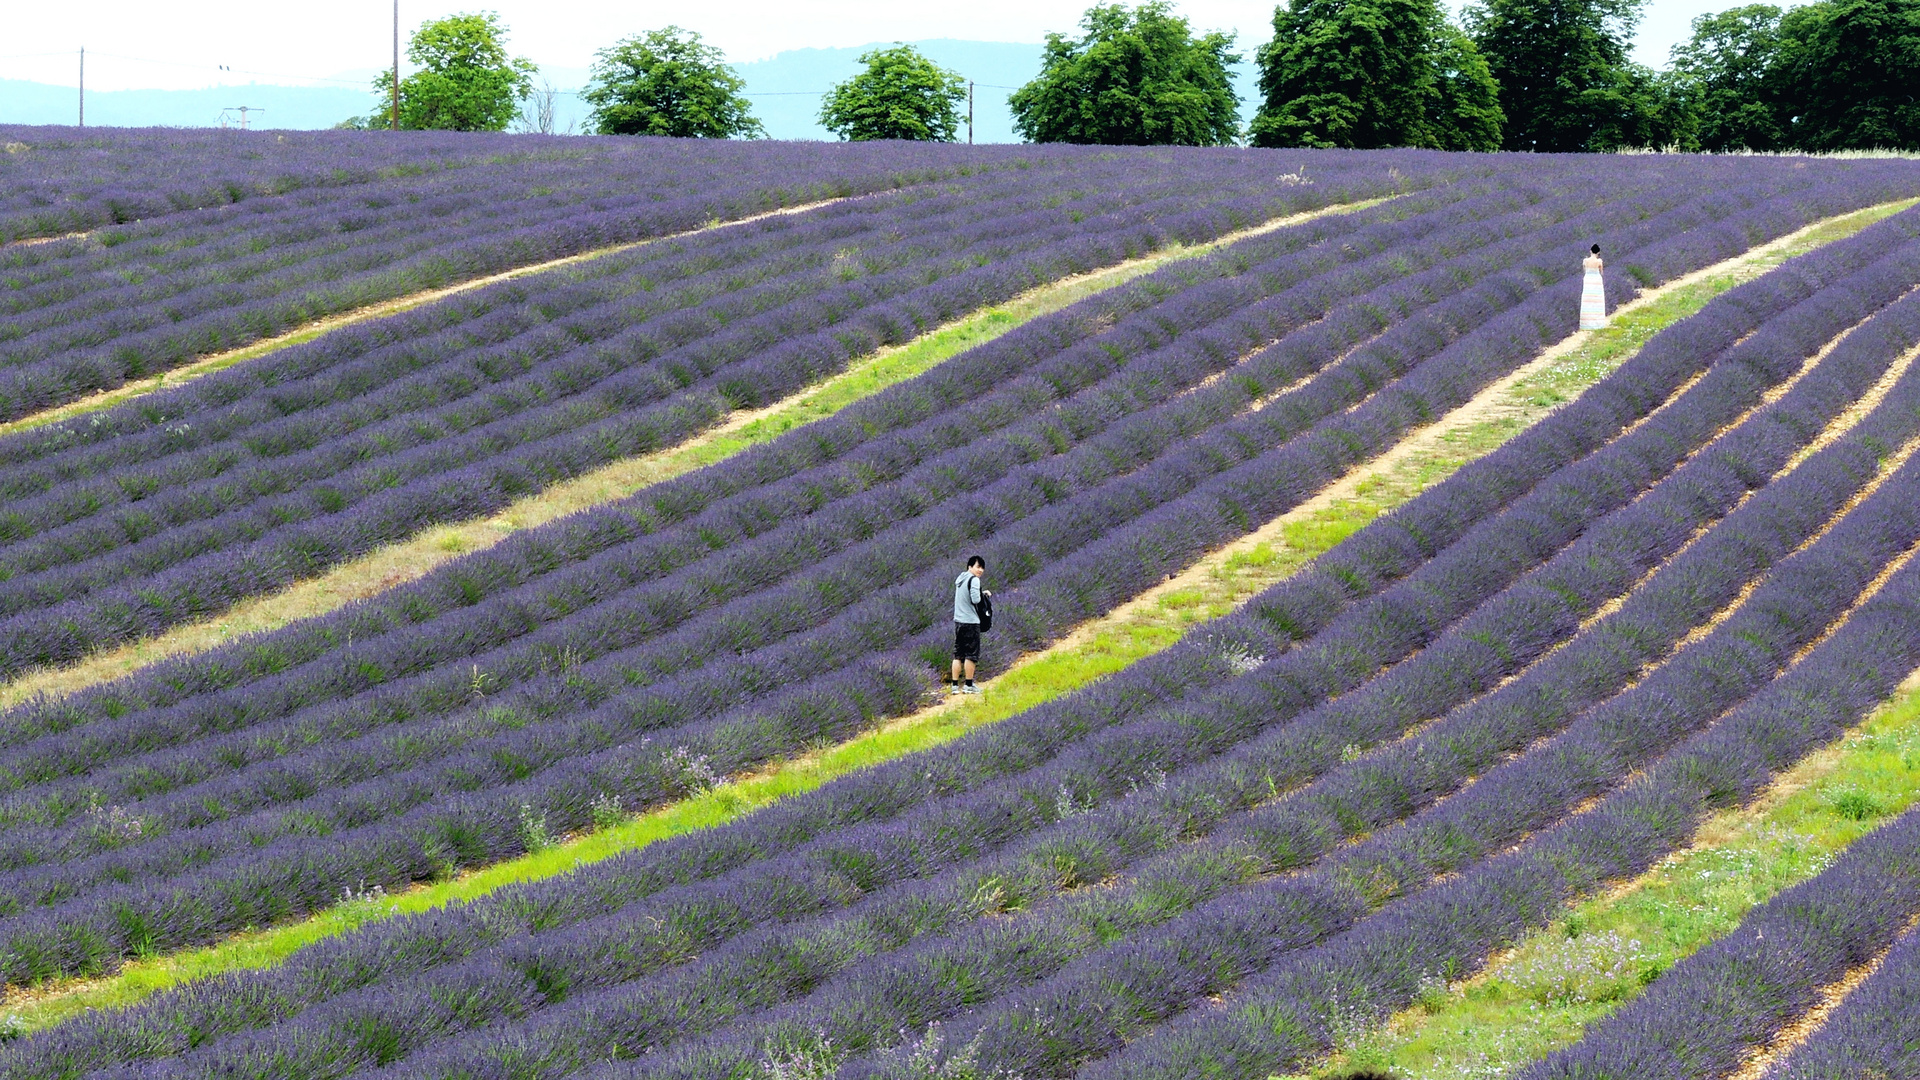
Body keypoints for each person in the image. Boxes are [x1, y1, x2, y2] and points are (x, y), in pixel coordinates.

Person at [950, 555, 989, 694]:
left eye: (982, 567)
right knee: (971, 655)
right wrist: (983, 596)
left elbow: (966, 595)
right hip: (971, 622)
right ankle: (968, 685)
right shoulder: (974, 580)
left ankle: (954, 686)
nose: (980, 570)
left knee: (958, 654)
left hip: (958, 621)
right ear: (970, 566)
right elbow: (975, 599)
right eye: (978, 567)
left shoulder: (961, 578)